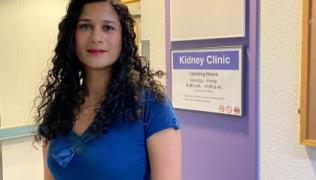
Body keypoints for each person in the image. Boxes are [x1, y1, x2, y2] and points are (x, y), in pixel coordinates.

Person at [34, 0, 181, 179]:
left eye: (108, 27)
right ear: (72, 35)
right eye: (85, 26)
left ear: (123, 37)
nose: (96, 37)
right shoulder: (59, 107)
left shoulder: (152, 108)